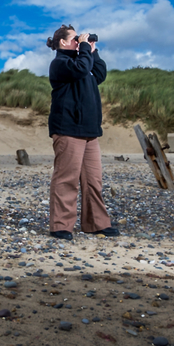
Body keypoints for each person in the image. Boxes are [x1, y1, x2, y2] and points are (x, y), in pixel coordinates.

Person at [45, 24, 118, 241]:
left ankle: (96, 224)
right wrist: (84, 49)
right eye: (75, 39)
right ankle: (61, 226)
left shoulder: (82, 64)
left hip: (89, 131)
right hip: (68, 129)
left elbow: (100, 73)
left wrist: (93, 51)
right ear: (63, 43)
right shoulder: (60, 63)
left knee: (93, 180)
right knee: (66, 179)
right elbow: (79, 69)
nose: (79, 42)